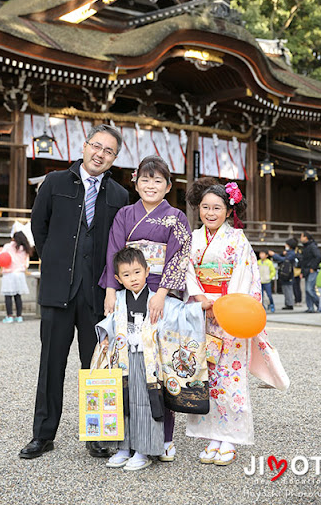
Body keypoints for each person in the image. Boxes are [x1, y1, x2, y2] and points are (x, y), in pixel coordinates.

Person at [19, 124, 129, 460]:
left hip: (97, 294)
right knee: (51, 362)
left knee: (95, 366)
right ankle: (43, 434)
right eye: (96, 146)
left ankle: (96, 434)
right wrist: (53, 259)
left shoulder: (119, 195)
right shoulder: (54, 183)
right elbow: (40, 227)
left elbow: (119, 244)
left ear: (114, 158)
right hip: (58, 288)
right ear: (84, 146)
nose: (100, 154)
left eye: (108, 151)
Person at [185, 178, 289, 466]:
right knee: (205, 377)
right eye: (205, 207)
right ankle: (211, 435)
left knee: (230, 378)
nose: (209, 213)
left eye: (216, 208)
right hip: (202, 314)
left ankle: (230, 436)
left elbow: (245, 277)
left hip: (231, 318)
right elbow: (187, 273)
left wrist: (224, 305)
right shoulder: (193, 239)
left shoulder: (237, 240)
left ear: (228, 211)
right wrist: (199, 299)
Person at [100, 155, 192, 462]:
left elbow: (178, 256)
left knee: (160, 367)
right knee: (126, 368)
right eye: (145, 180)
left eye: (158, 181)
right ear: (135, 183)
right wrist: (112, 289)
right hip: (128, 290)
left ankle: (164, 438)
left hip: (158, 293)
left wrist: (162, 292)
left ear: (168, 186)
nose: (150, 186)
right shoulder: (126, 214)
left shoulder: (176, 217)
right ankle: (127, 440)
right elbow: (115, 249)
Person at [97, 247, 209, 471]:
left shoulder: (158, 299)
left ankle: (143, 451)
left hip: (149, 362)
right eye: (126, 275)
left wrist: (199, 308)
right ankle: (122, 449)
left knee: (145, 404)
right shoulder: (118, 299)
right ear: (118, 278)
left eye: (137, 272)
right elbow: (108, 324)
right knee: (123, 402)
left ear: (147, 271)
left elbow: (181, 313)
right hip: (124, 359)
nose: (133, 279)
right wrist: (105, 338)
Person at [0, 231, 32, 323]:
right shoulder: (25, 249)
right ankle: (19, 316)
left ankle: (9, 316)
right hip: (19, 274)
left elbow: (1, 258)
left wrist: (0, 251)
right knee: (18, 296)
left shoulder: (8, 247)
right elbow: (26, 264)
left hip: (9, 273)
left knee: (8, 295)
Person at [269, 238, 298, 310]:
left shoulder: (292, 254)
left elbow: (283, 259)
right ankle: (287, 303)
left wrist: (274, 255)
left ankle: (290, 304)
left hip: (288, 273)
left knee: (288, 289)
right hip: (285, 273)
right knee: (285, 289)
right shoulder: (288, 252)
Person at [300, 231, 321, 313]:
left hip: (312, 270)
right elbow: (303, 260)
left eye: (302, 236)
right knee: (307, 290)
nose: (301, 238)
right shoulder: (305, 247)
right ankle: (310, 307)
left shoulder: (312, 246)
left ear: (306, 237)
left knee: (310, 289)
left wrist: (313, 267)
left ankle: (320, 305)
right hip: (306, 270)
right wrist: (302, 272)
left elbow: (318, 256)